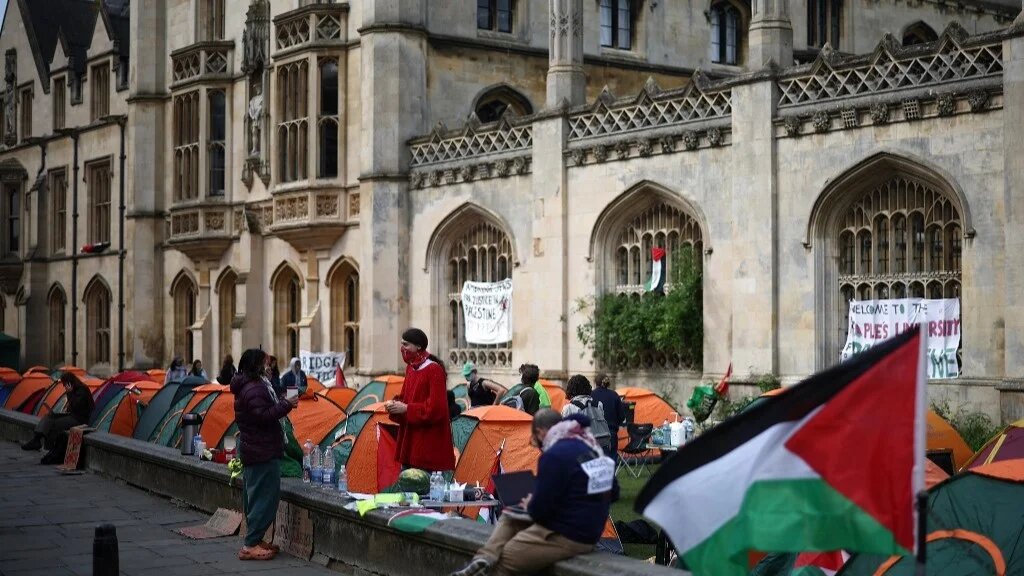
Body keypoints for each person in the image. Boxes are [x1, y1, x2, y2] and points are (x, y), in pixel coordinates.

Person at [450, 410, 618, 576]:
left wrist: (531, 502)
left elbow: (540, 511)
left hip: (570, 534)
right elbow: (614, 493)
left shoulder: (554, 455)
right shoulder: (588, 446)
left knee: (504, 560)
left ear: (540, 432)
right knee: (510, 516)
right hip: (589, 529)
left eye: (534, 440)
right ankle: (484, 558)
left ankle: (484, 563)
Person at [232, 347, 299, 561]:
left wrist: (282, 401)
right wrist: (287, 404)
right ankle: (250, 544)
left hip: (258, 448)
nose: (269, 366)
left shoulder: (256, 386)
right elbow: (263, 417)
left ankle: (255, 538)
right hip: (261, 450)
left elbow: (262, 410)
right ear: (257, 365)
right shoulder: (254, 388)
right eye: (266, 363)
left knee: (257, 496)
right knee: (265, 498)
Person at [385, 328, 456, 472]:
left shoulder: (433, 369)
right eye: (401, 344)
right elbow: (406, 397)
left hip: (427, 445)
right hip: (409, 441)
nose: (402, 348)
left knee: (423, 489)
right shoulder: (411, 369)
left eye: (406, 344)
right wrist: (394, 404)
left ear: (418, 347)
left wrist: (406, 409)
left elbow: (437, 409)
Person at [22, 373, 95, 463]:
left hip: (79, 419)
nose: (64, 387)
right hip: (72, 415)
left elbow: (76, 406)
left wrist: (69, 393)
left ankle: (50, 450)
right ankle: (36, 439)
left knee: (55, 424)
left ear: (69, 383)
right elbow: (71, 408)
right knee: (49, 416)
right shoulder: (75, 390)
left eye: (65, 385)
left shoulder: (82, 390)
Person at [589, 372, 626, 461]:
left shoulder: (590, 395)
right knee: (611, 462)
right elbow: (622, 417)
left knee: (596, 462)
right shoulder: (614, 395)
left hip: (594, 434)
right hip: (611, 434)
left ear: (595, 383)